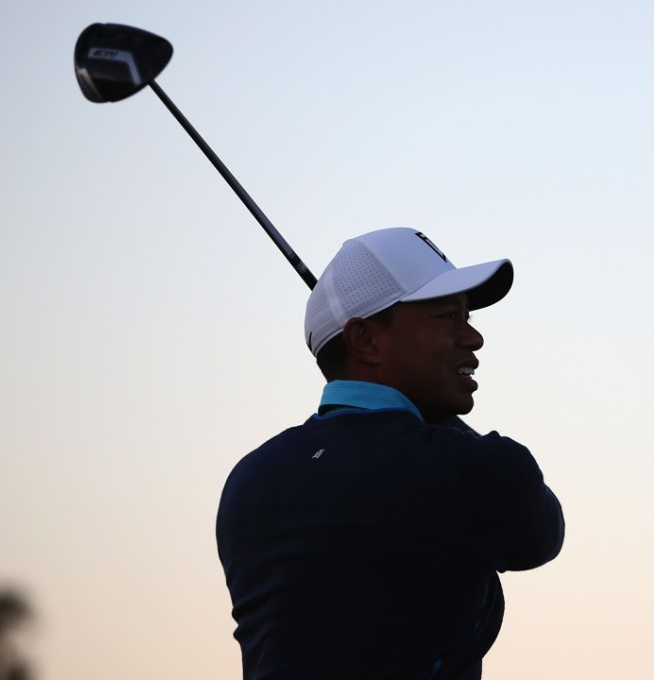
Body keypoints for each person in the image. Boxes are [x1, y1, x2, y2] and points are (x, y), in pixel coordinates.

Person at [216, 227, 565, 680]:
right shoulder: (470, 468)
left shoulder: (250, 480)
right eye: (447, 317)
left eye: (469, 318)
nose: (473, 339)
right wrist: (436, 416)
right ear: (366, 341)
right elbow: (540, 530)